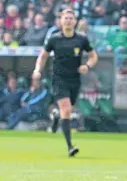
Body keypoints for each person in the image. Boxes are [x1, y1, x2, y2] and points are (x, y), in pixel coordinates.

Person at [32, 9, 98, 157]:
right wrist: (37, 70)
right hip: (59, 79)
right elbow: (43, 56)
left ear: (75, 22)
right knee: (67, 110)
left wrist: (87, 66)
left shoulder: (82, 39)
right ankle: (70, 146)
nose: (68, 20)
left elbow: (93, 56)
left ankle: (55, 115)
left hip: (74, 79)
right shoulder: (54, 39)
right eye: (65, 18)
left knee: (67, 110)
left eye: (71, 18)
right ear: (61, 21)